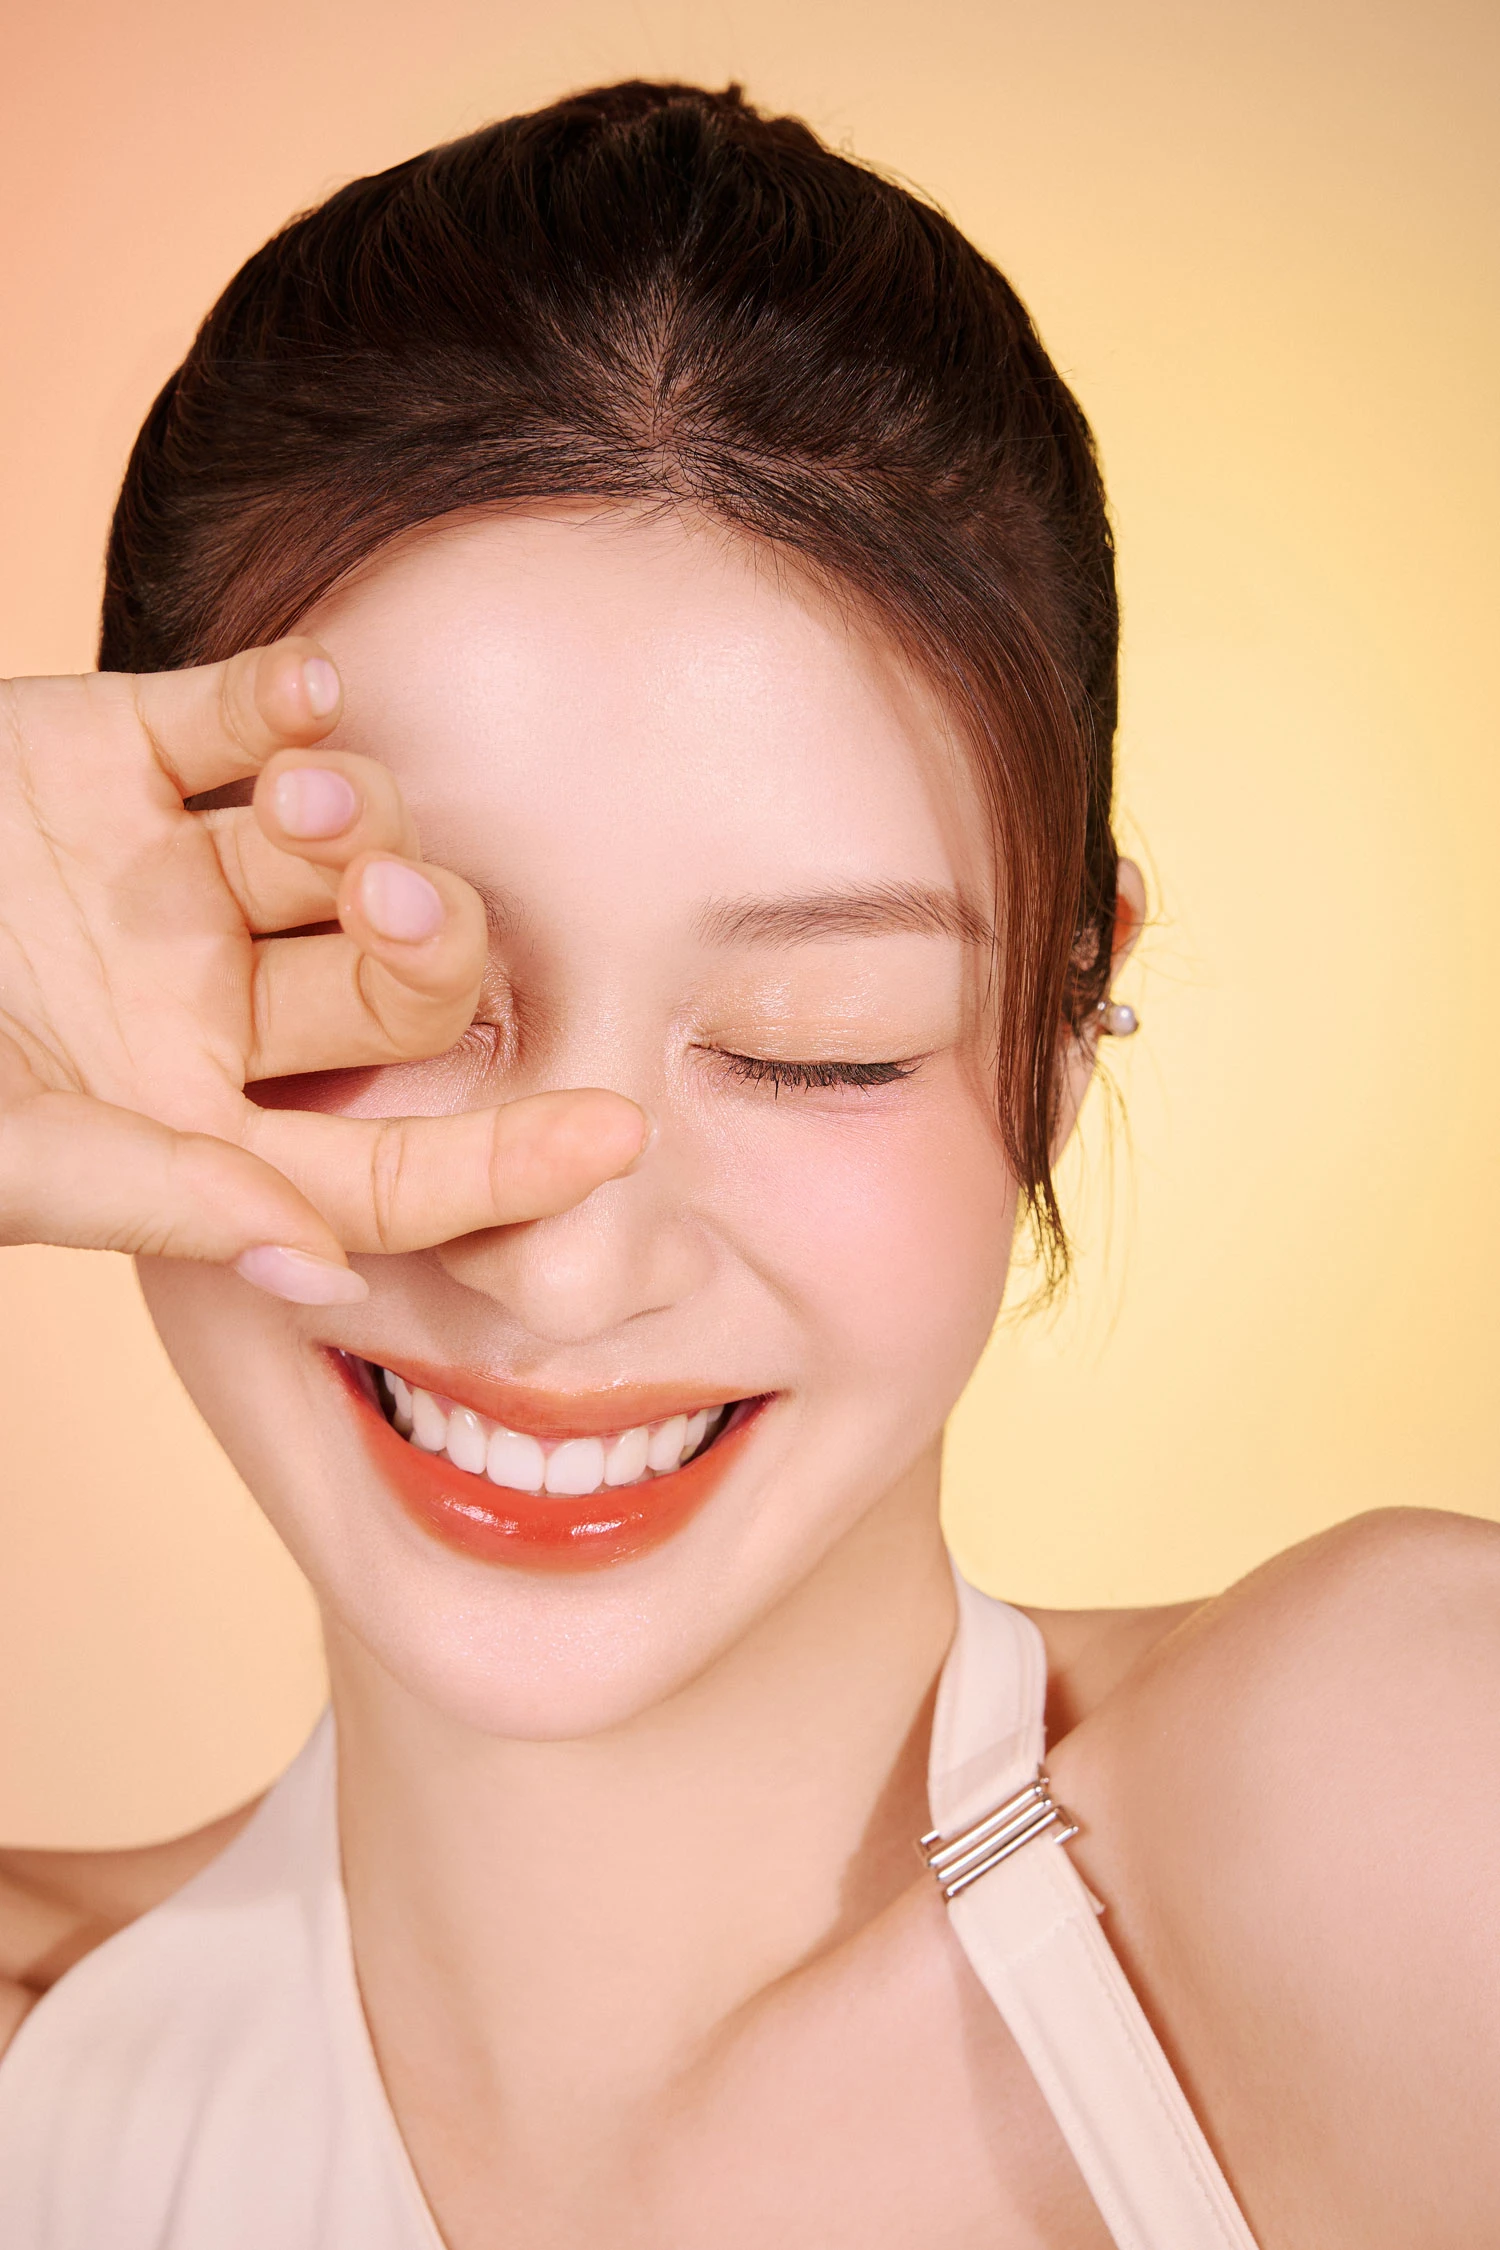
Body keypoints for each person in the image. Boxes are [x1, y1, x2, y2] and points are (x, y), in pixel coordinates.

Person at [0, 76, 1495, 2250]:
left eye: (816, 1046)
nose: (563, 1265)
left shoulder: (1402, 1820)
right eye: (374, 982)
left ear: (1059, 1038)